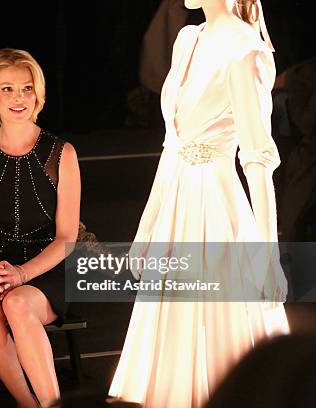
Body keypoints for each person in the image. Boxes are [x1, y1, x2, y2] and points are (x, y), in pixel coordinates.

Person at [109, 0, 290, 407]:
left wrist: (267, 257)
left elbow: (257, 159)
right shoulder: (187, 39)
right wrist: (146, 227)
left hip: (216, 208)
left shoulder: (247, 52)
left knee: (220, 326)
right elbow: (171, 146)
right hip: (176, 203)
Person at [0, 48, 81, 408]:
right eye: (8, 89)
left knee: (17, 305)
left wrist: (21, 276)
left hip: (47, 268)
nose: (18, 98)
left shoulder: (62, 153)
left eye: (27, 89)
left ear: (38, 94)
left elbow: (67, 239)